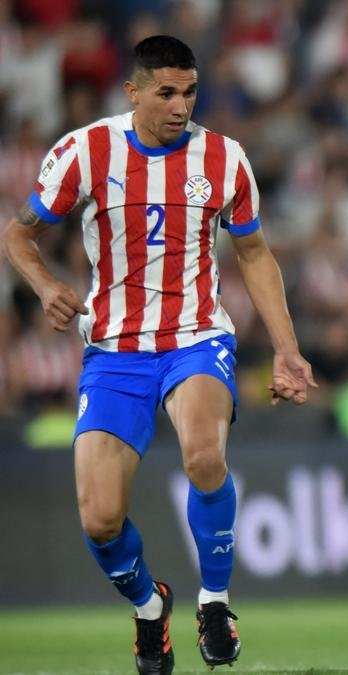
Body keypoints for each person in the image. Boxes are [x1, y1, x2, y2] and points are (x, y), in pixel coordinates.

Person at [1, 36, 317, 675]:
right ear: (134, 91)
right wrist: (46, 286)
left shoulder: (224, 158)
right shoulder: (86, 150)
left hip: (196, 336)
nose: (180, 106)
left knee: (203, 455)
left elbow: (255, 254)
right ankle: (150, 608)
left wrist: (287, 348)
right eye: (167, 93)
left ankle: (215, 603)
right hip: (114, 350)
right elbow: (19, 233)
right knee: (99, 519)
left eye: (190, 92)